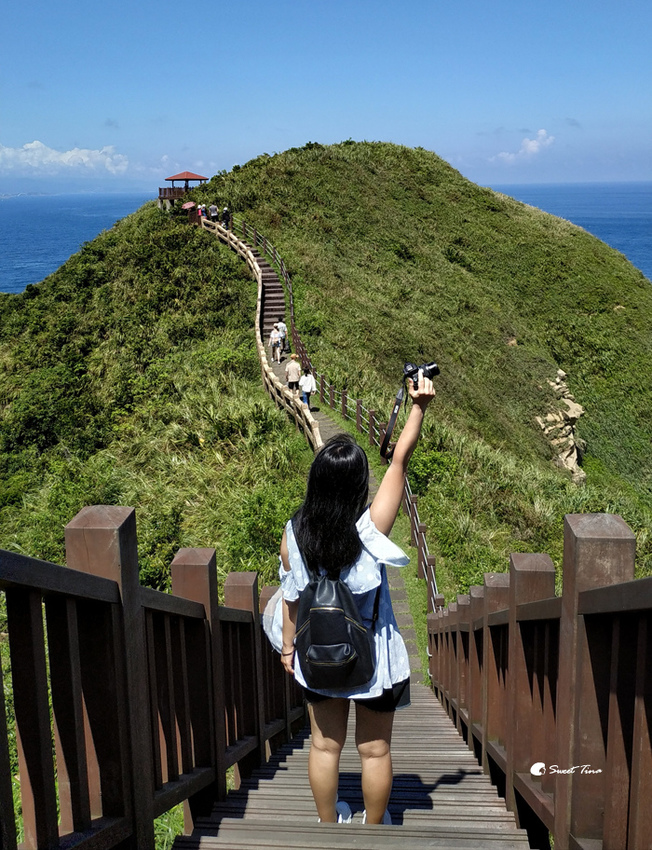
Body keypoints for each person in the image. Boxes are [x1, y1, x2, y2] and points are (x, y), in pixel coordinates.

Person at [279, 371, 435, 824]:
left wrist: (289, 649)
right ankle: (373, 826)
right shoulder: (370, 530)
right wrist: (419, 406)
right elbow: (400, 463)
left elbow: (291, 601)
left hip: (319, 652)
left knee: (325, 745)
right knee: (376, 750)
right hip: (374, 657)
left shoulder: (294, 534)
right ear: (357, 487)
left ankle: (329, 825)